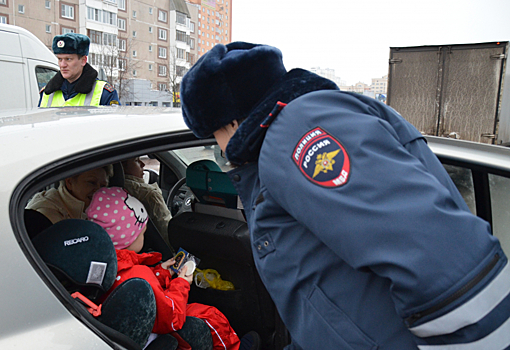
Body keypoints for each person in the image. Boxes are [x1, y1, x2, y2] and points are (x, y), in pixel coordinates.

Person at [180, 42, 510, 349]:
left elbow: (441, 259)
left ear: (233, 122)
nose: (220, 149)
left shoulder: (296, 134)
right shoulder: (287, 139)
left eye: (214, 136)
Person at [87, 187, 260, 350]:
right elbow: (171, 316)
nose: (145, 233)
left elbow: (140, 285)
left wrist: (161, 272)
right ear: (127, 238)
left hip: (140, 323)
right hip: (160, 328)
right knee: (211, 316)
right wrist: (182, 283)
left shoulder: (103, 266)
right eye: (142, 232)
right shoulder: (139, 275)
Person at [39, 33, 120, 107]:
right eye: (60, 59)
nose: (62, 65)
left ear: (83, 60)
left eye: (68, 59)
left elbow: (115, 122)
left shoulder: (104, 93)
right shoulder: (47, 93)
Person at [26, 166, 112, 224]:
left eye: (103, 185)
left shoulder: (105, 207)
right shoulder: (47, 214)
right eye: (91, 182)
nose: (99, 191)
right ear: (70, 182)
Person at [121, 157, 173, 249]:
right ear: (123, 167)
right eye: (136, 160)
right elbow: (166, 231)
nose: (143, 164)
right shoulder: (149, 193)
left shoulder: (108, 190)